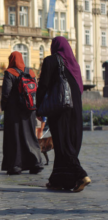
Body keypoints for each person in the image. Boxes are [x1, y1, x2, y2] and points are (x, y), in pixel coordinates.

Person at [37, 36, 91, 192]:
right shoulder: (74, 65)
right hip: (75, 111)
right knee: (67, 144)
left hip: (60, 109)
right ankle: (59, 180)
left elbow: (44, 86)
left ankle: (81, 175)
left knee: (62, 144)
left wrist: (39, 108)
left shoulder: (51, 61)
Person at [1, 51, 43, 175]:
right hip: (29, 110)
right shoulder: (31, 72)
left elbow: (6, 92)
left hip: (14, 111)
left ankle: (16, 165)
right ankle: (36, 163)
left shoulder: (10, 72)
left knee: (15, 137)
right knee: (30, 136)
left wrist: (3, 106)